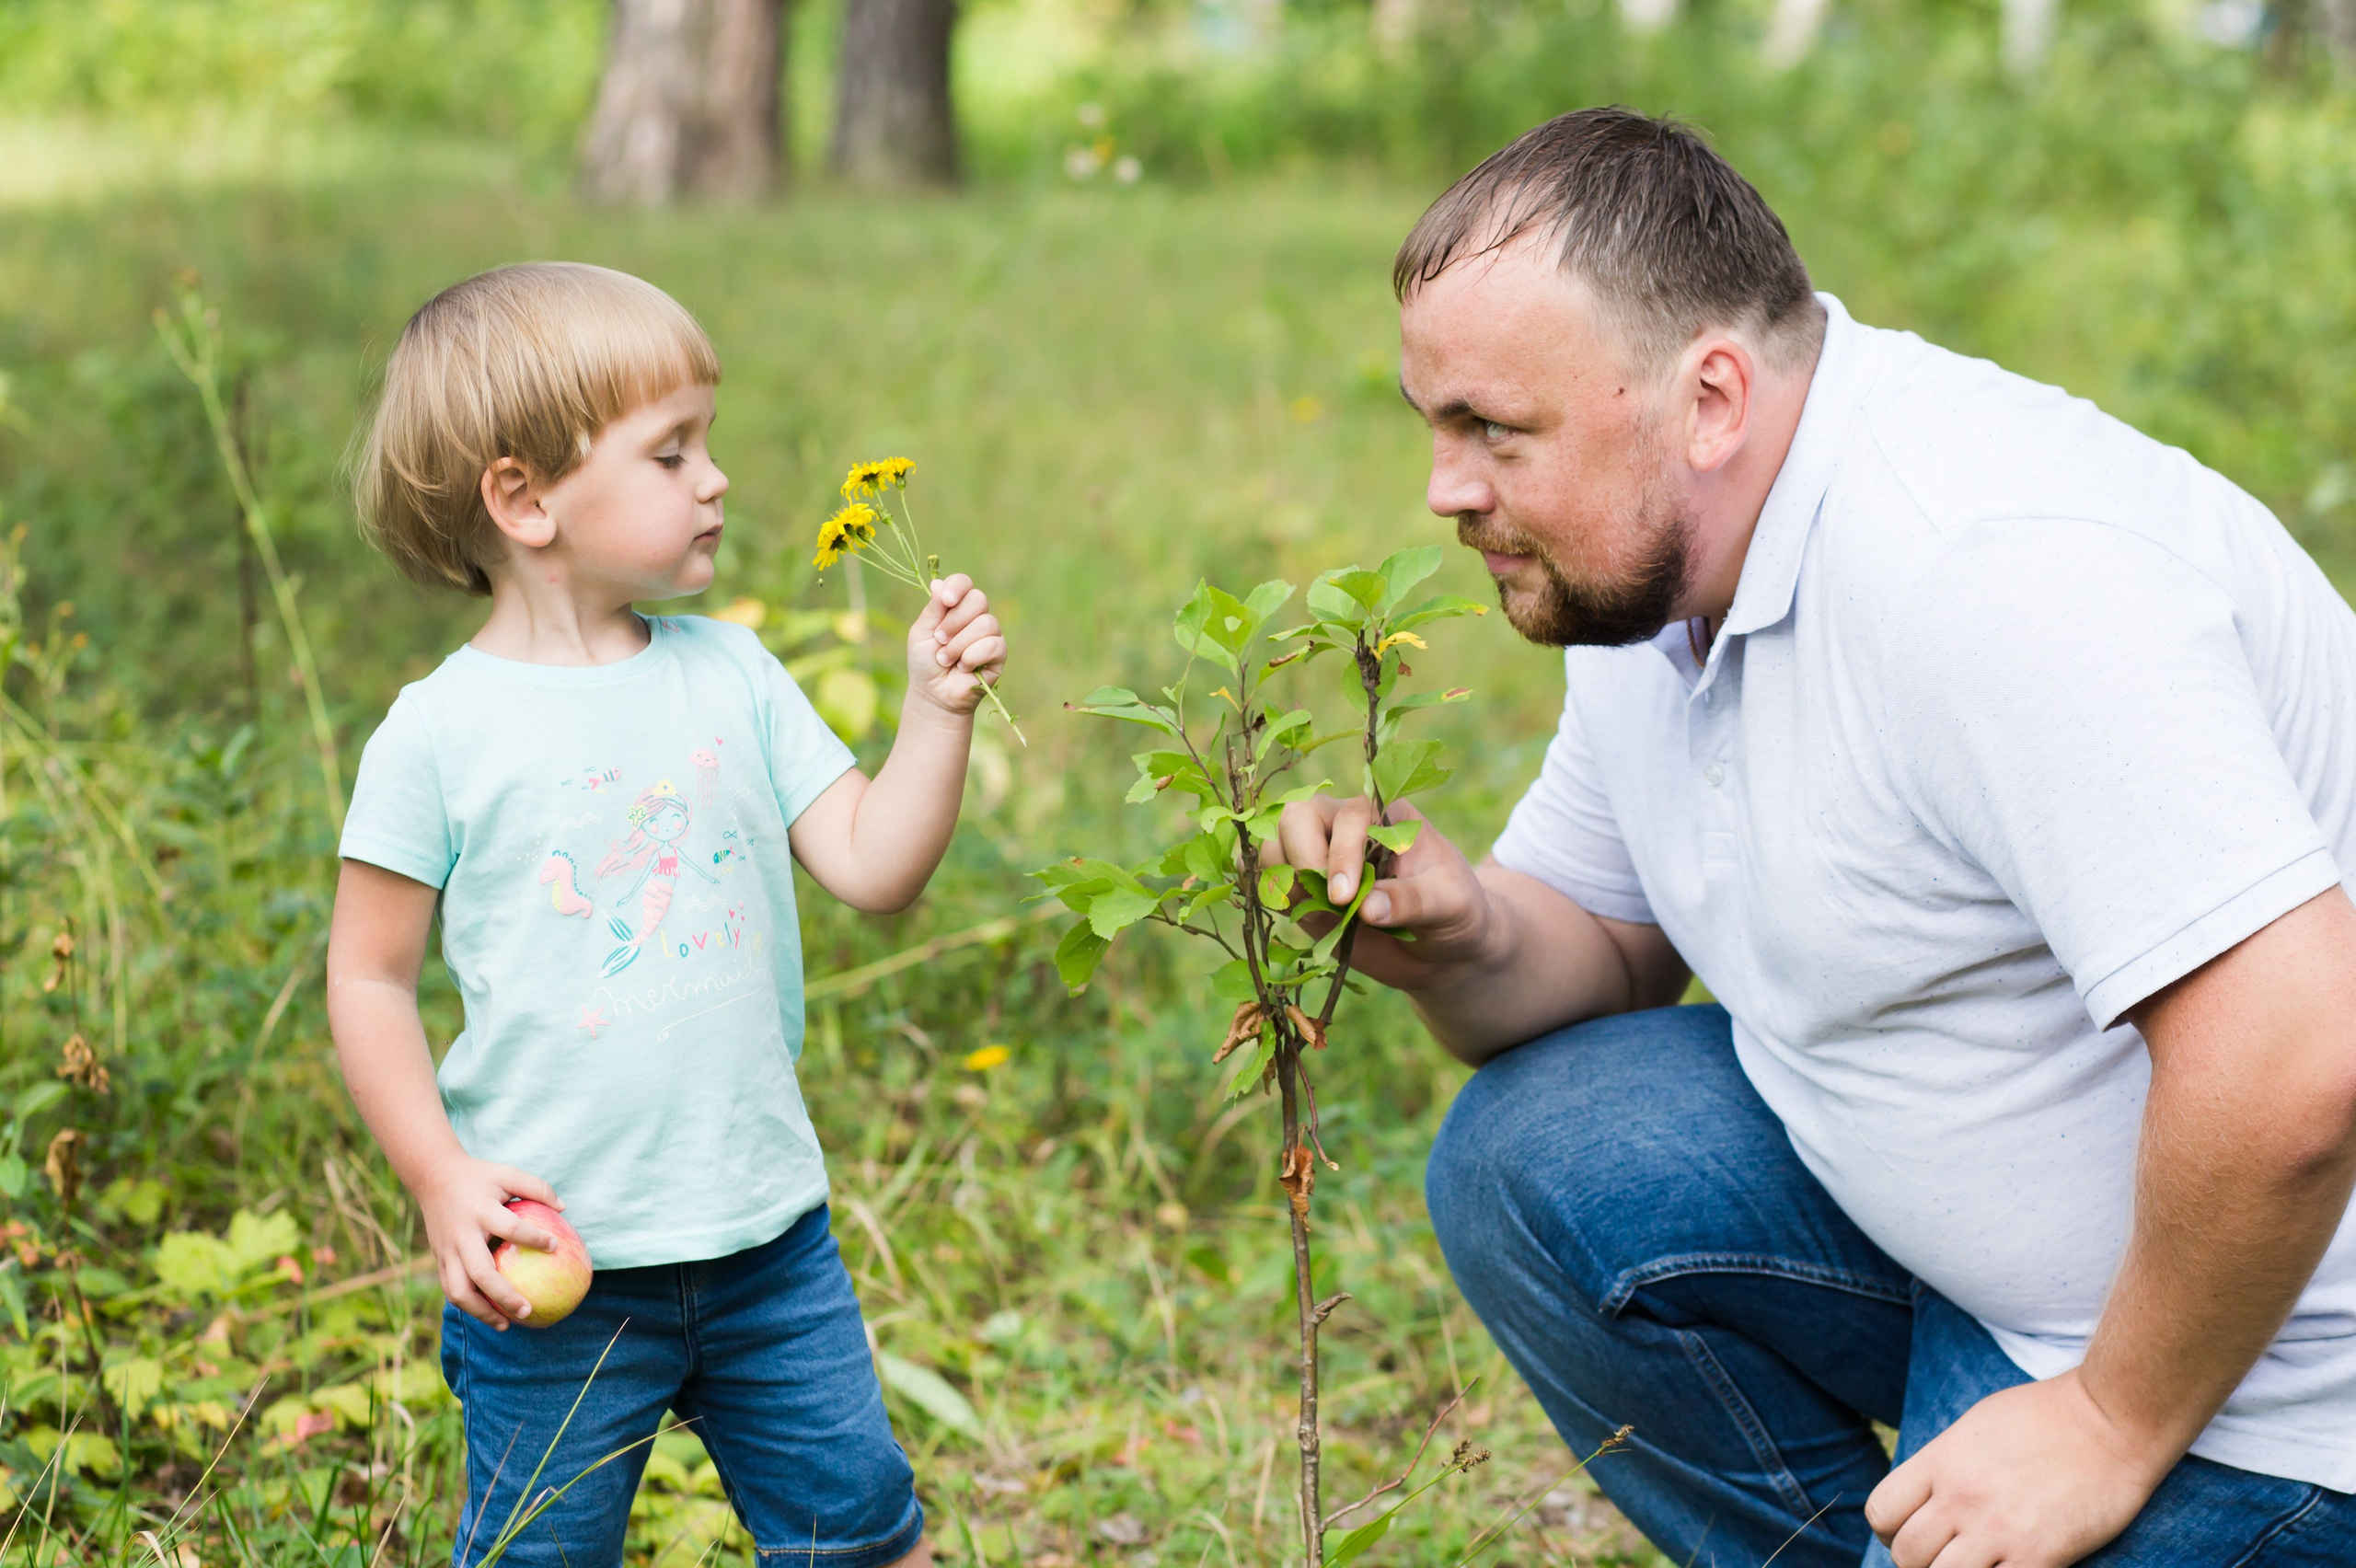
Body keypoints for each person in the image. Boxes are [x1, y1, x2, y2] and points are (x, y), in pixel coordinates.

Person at [1275, 109, 2356, 1567]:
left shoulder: (1990, 571)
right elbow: (1599, 955)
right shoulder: (1656, 567)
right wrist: (1464, 932)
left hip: (2263, 1383)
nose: (1446, 490)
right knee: (1539, 1151)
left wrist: (2107, 1420)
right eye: (1434, 423)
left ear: (1709, 396)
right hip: (2008, 1290)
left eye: (1495, 431)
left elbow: (2299, 1062)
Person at [326, 263, 1001, 1568]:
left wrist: (936, 712)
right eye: (670, 451)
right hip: (555, 1271)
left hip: (766, 1246)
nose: (717, 479)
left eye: (708, 441)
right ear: (523, 498)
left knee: (860, 1537)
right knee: (540, 1549)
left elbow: (873, 865)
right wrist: (438, 1176)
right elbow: (368, 978)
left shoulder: (734, 675)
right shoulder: (438, 737)